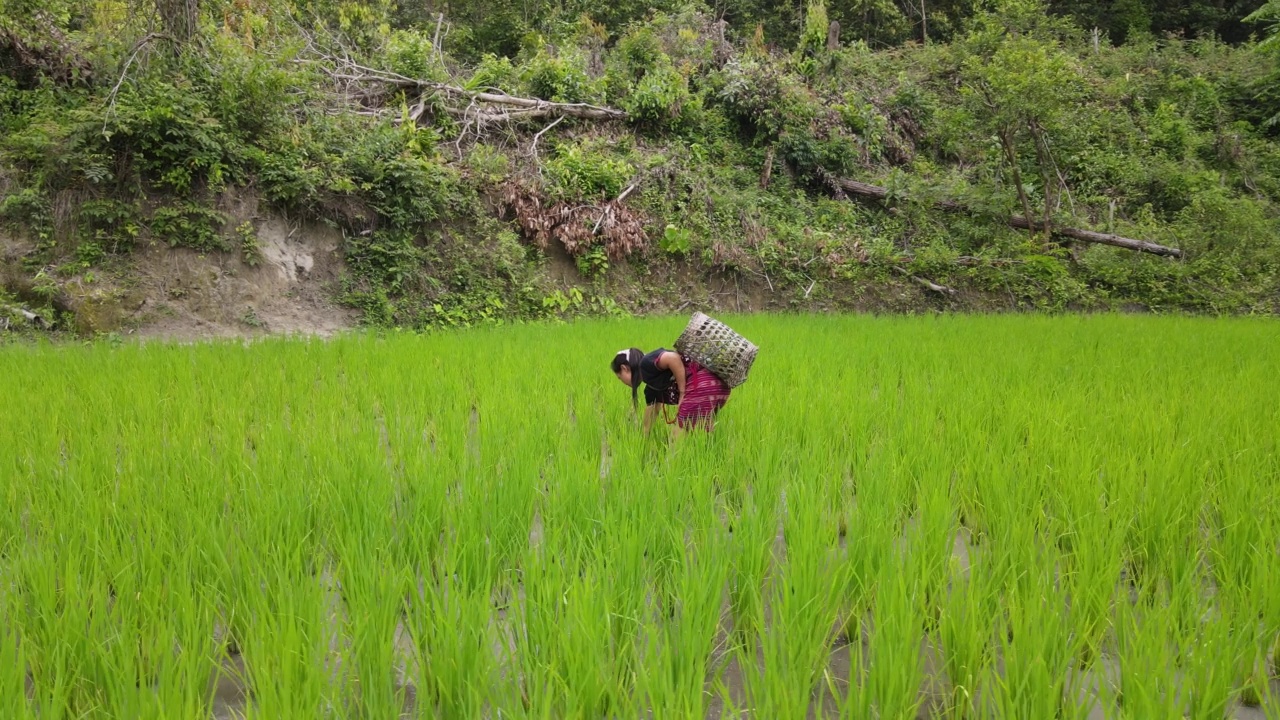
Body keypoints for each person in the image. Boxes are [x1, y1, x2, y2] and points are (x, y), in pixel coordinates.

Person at [610, 347, 731, 432]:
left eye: (620, 377)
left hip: (701, 385)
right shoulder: (651, 387)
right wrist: (644, 439)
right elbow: (651, 414)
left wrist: (683, 392)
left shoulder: (646, 363)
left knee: (676, 439)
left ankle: (672, 466)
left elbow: (672, 358)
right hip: (720, 385)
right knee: (703, 434)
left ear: (624, 368)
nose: (622, 381)